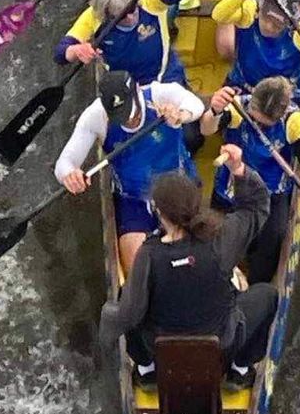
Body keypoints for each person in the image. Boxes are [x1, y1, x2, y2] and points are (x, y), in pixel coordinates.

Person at [98, 154, 277, 389]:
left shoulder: (148, 255)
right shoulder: (222, 239)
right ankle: (239, 370)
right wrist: (239, 169)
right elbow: (256, 207)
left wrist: (106, 328)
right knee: (267, 295)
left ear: (159, 213)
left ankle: (147, 371)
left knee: (124, 297)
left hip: (162, 350)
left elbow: (129, 315)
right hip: (221, 345)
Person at [56, 69, 204, 275]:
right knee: (138, 270)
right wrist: (70, 175)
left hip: (178, 188)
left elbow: (196, 105)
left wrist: (180, 115)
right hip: (134, 198)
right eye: (120, 117)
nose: (128, 121)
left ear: (137, 92)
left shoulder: (160, 93)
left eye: (131, 113)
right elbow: (64, 163)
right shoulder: (95, 116)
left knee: (198, 258)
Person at [201, 77, 300, 287]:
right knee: (213, 240)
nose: (256, 124)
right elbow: (206, 129)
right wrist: (214, 110)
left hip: (271, 194)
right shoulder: (239, 106)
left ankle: (255, 287)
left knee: (270, 245)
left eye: (264, 123)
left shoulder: (295, 122)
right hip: (231, 188)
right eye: (254, 119)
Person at [56, 0, 190, 88]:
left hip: (166, 77)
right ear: (105, 13)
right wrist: (76, 50)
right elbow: (60, 53)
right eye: (121, 16)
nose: (131, 17)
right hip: (127, 89)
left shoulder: (148, 0)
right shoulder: (93, 17)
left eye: (132, 9)